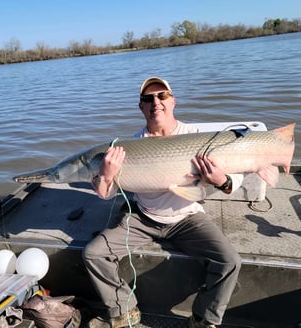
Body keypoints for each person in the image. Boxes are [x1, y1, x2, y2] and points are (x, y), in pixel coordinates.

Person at [83, 77, 242, 328]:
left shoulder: (198, 136)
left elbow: (235, 176)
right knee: (93, 254)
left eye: (162, 96)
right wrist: (105, 175)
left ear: (172, 101)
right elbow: (105, 193)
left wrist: (222, 180)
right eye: (148, 99)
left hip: (187, 217)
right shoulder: (128, 146)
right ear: (141, 107)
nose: (155, 102)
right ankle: (125, 310)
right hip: (143, 217)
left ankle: (202, 319)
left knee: (230, 261)